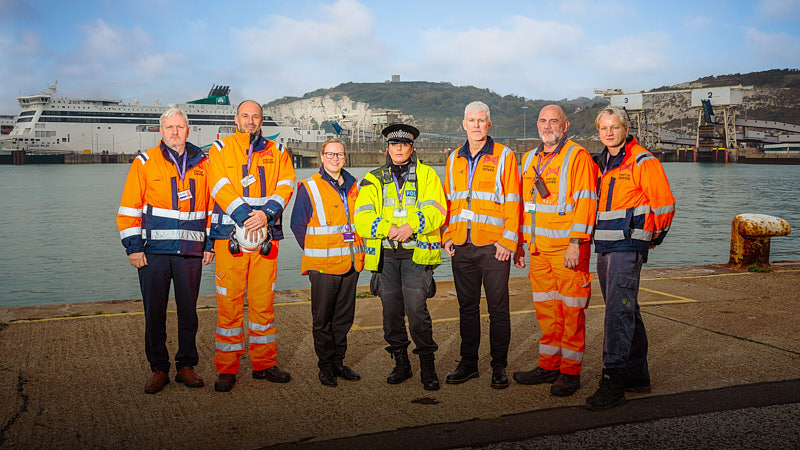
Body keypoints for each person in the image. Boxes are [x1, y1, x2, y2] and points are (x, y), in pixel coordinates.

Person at [116, 107, 214, 394]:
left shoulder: (204, 163)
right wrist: (133, 248)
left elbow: (212, 207)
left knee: (189, 313)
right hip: (153, 252)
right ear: (161, 131)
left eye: (180, 127)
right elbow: (129, 208)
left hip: (191, 252)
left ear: (188, 130)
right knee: (154, 313)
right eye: (169, 127)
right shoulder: (145, 162)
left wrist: (210, 244)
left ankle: (186, 366)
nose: (175, 132)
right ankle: (159, 368)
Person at [585, 105, 676, 410]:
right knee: (626, 308)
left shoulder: (641, 160)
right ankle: (637, 375)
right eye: (603, 128)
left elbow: (664, 204)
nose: (609, 133)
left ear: (626, 129)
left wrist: (652, 237)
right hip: (605, 246)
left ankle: (613, 380)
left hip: (627, 246)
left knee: (617, 312)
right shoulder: (601, 163)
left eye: (614, 127)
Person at [207, 100, 296, 392]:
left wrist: (266, 214)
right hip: (229, 237)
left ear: (261, 120)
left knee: (263, 303)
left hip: (265, 237)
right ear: (236, 119)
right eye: (245, 115)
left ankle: (264, 364)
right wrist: (246, 216)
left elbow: (286, 185)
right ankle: (227, 368)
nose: (250, 120)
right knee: (229, 303)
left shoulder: (278, 151)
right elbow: (218, 185)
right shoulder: (219, 149)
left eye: (255, 116)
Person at [353, 123, 447, 391]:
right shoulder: (372, 179)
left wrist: (411, 226)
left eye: (404, 144)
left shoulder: (428, 175)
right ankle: (401, 363)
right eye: (394, 144)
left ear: (411, 148)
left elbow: (438, 210)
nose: (399, 149)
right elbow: (362, 217)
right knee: (391, 313)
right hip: (386, 256)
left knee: (417, 312)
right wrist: (388, 229)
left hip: (417, 254)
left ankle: (428, 366)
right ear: (387, 148)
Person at [513, 104, 598, 397]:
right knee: (547, 310)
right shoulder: (530, 159)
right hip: (538, 251)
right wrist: (520, 243)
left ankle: (570, 373)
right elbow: (525, 206)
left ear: (565, 125)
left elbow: (587, 202)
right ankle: (549, 365)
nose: (547, 126)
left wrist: (576, 243)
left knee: (571, 311)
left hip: (568, 251)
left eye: (553, 121)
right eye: (543, 121)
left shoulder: (577, 156)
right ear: (538, 125)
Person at [442, 101, 521, 389]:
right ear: (463, 124)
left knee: (498, 308)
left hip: (493, 246)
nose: (476, 125)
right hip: (461, 244)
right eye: (471, 120)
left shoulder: (504, 155)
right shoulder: (454, 158)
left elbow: (513, 201)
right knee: (467, 307)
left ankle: (499, 365)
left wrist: (508, 241)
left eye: (481, 121)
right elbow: (448, 200)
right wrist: (446, 236)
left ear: (489, 124)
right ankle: (468, 363)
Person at [290, 138, 365, 387]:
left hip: (351, 263)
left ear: (345, 157)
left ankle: (338, 363)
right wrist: (316, 252)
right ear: (322, 157)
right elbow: (297, 224)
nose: (335, 158)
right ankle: (325, 367)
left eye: (339, 154)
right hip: (323, 266)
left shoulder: (355, 185)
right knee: (322, 319)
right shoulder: (309, 187)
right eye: (330, 154)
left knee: (343, 319)